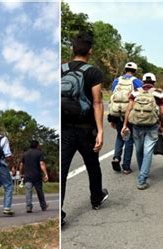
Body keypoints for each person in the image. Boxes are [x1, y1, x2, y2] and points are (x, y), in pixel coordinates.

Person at [61, 33, 108, 227]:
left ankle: (59, 215)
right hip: (86, 129)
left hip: (64, 129)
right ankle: (96, 199)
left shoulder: (61, 70)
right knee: (92, 165)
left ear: (73, 49)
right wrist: (100, 130)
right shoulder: (93, 72)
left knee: (63, 170)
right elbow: (97, 102)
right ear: (90, 50)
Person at [122, 72, 163, 190]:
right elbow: (162, 112)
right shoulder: (158, 93)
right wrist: (162, 124)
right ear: (154, 82)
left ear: (143, 81)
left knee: (139, 150)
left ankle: (143, 172)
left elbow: (129, 108)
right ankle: (142, 179)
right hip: (152, 126)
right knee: (148, 151)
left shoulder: (135, 92)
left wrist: (125, 124)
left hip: (137, 126)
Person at [108, 62, 143, 174]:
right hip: (129, 113)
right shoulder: (136, 82)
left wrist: (112, 117)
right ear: (135, 71)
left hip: (117, 112)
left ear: (125, 69)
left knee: (120, 135)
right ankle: (126, 166)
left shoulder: (116, 81)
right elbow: (141, 97)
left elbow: (112, 97)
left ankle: (116, 157)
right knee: (129, 138)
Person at [19, 140, 49, 213]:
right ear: (37, 146)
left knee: (28, 192)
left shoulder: (25, 154)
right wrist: (46, 174)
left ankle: (29, 207)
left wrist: (20, 173)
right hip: (37, 176)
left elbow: (21, 165)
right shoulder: (39, 153)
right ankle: (43, 206)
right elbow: (41, 164)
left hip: (27, 177)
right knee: (40, 192)